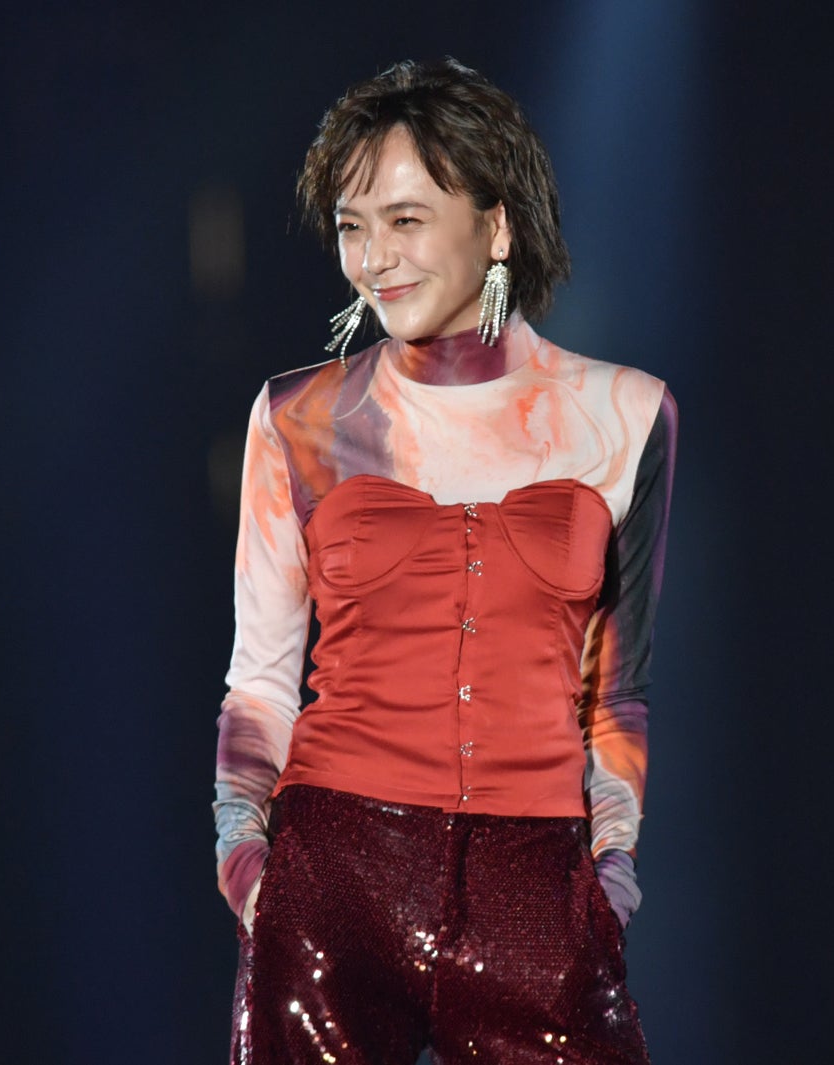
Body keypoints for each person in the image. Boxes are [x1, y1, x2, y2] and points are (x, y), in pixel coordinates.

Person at [214, 58, 676, 1064]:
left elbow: (616, 689)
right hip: (335, 875)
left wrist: (609, 883)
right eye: (352, 226)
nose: (374, 258)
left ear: (496, 227)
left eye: (406, 220)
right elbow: (260, 680)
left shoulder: (627, 414)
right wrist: (249, 867)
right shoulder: (298, 418)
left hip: (536, 884)